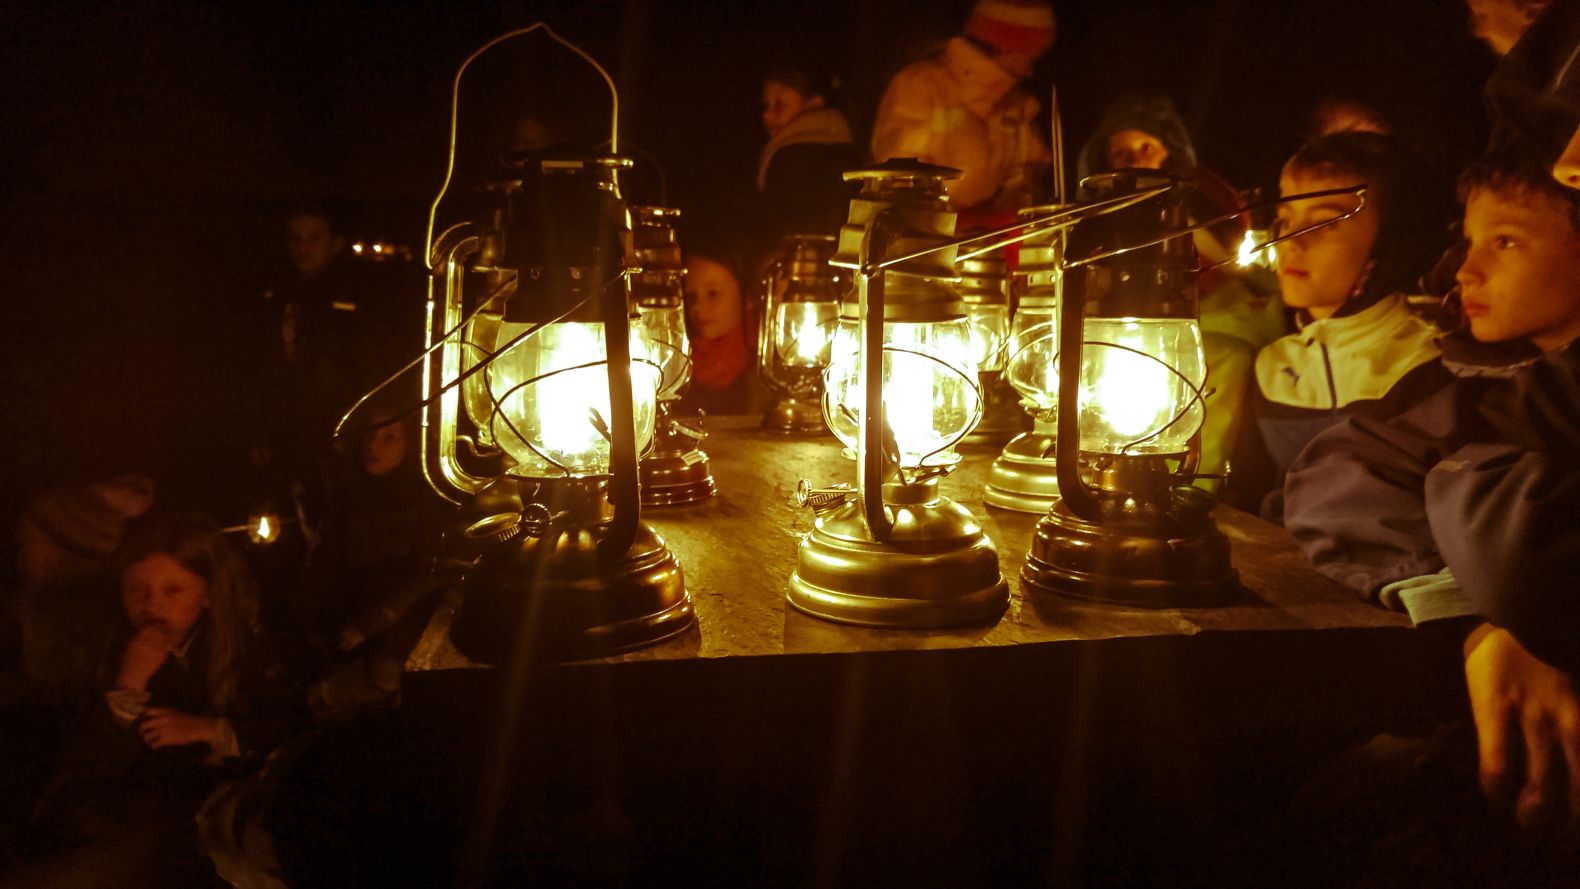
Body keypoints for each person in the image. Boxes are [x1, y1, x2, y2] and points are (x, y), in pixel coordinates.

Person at [1282, 145, 1580, 854]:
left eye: (1506, 242)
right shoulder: (1471, 379)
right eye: (1468, 241)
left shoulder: (1498, 393)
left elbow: (1518, 550)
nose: (1465, 271)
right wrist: (1477, 621)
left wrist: (1455, 478)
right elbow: (1336, 472)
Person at [8, 513, 302, 888]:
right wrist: (129, 683)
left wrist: (209, 729)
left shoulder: (246, 648)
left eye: (173, 590)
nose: (152, 605)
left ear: (207, 593)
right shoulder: (110, 648)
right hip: (131, 806)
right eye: (137, 590)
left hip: (215, 806)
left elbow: (288, 721)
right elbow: (87, 758)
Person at [1230, 132, 1450, 516]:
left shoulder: (1426, 365)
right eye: (1286, 220)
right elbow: (1247, 501)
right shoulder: (1273, 368)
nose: (1292, 242)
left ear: (1389, 243)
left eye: (1325, 224)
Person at [1076, 91, 1284, 492]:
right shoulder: (1099, 208)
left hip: (1209, 314)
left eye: (1146, 147)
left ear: (1168, 149)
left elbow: (1225, 253)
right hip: (1122, 319)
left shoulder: (1200, 197)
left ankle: (1192, 485)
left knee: (1213, 367)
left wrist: (1173, 215)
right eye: (1121, 152)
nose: (1134, 158)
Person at [296, 402, 448, 718]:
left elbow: (431, 573)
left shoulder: (424, 500)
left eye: (388, 437)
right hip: (347, 620)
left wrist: (372, 622)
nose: (373, 446)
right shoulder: (346, 495)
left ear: (409, 443)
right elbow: (325, 559)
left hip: (398, 626)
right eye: (369, 434)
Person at [869, 0, 1054, 215]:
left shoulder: (1016, 104)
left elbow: (1027, 175)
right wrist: (954, 220)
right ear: (1007, 47)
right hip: (922, 234)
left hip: (991, 236)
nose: (1031, 71)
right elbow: (900, 181)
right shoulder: (920, 87)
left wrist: (1010, 211)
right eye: (1029, 57)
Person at [756, 63, 861, 247]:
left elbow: (773, 235)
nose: (766, 115)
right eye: (766, 106)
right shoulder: (852, 153)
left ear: (814, 104)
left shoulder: (789, 158)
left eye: (779, 106)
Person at [681, 250, 760, 416]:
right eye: (690, 295)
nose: (697, 307)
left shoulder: (767, 367)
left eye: (713, 294)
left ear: (747, 297)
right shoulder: (676, 367)